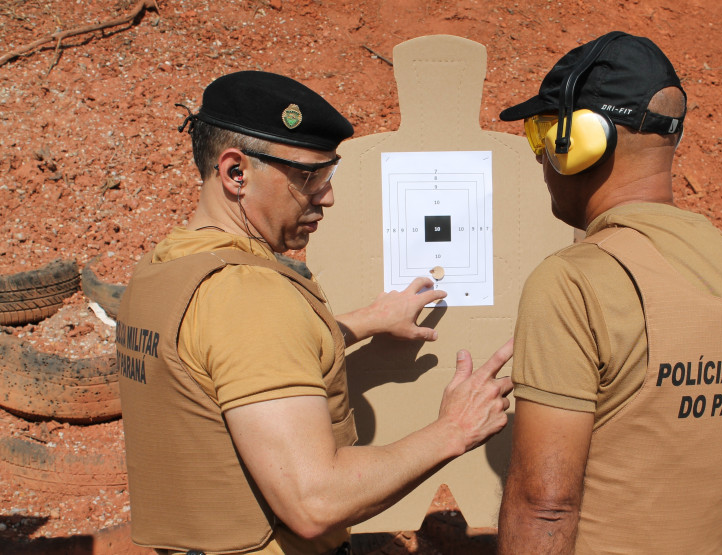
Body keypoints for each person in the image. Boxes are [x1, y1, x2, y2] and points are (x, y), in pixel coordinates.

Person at [115, 70, 514, 555]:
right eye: (309, 176)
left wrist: (363, 321)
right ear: (235, 172)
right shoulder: (249, 297)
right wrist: (454, 429)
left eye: (329, 174)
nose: (327, 195)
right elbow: (314, 502)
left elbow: (227, 361)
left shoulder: (167, 266)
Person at [496, 32, 722, 554]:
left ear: (580, 140)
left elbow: (546, 503)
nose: (540, 154)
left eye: (543, 132)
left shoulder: (573, 283)